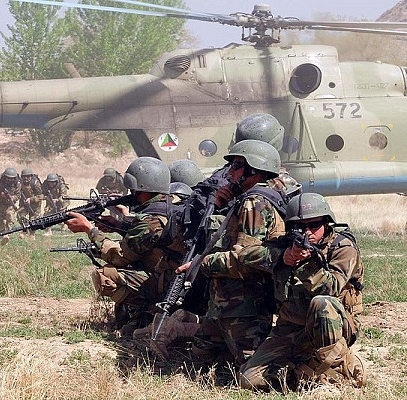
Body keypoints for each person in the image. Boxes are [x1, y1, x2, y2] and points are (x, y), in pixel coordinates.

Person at [141, 140, 287, 366]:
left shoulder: (254, 203)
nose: (230, 172)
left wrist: (201, 264)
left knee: (248, 371)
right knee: (200, 357)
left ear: (254, 170)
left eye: (237, 166)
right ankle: (187, 322)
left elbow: (245, 260)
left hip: (245, 306)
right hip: (224, 302)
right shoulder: (248, 199)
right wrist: (222, 204)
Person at [238, 193, 365, 391]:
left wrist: (305, 264)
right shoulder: (286, 244)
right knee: (249, 380)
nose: (307, 233)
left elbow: (331, 288)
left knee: (322, 302)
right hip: (291, 327)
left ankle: (339, 369)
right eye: (300, 227)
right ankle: (302, 374)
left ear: (326, 222)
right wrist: (282, 257)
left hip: (334, 325)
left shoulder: (343, 247)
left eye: (314, 225)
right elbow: (244, 254)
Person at [64, 157, 186, 334]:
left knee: (106, 275)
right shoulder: (171, 203)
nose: (131, 192)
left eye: (133, 189)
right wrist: (121, 223)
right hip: (176, 276)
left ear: (142, 189)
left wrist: (90, 230)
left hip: (169, 284)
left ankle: (147, 316)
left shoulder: (152, 220)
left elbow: (120, 256)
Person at [0, 167, 21, 244]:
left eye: (12, 178)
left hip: (9, 204)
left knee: (10, 217)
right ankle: (3, 233)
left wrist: (12, 198)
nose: (10, 180)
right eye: (8, 178)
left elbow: (18, 195)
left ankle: (7, 234)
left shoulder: (17, 184)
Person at [18, 168, 43, 238]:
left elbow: (41, 196)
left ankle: (32, 234)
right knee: (20, 216)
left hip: (35, 206)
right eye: (24, 176)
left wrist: (31, 199)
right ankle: (25, 230)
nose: (26, 178)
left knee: (33, 220)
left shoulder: (35, 183)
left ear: (31, 176)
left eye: (28, 176)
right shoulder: (20, 183)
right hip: (24, 204)